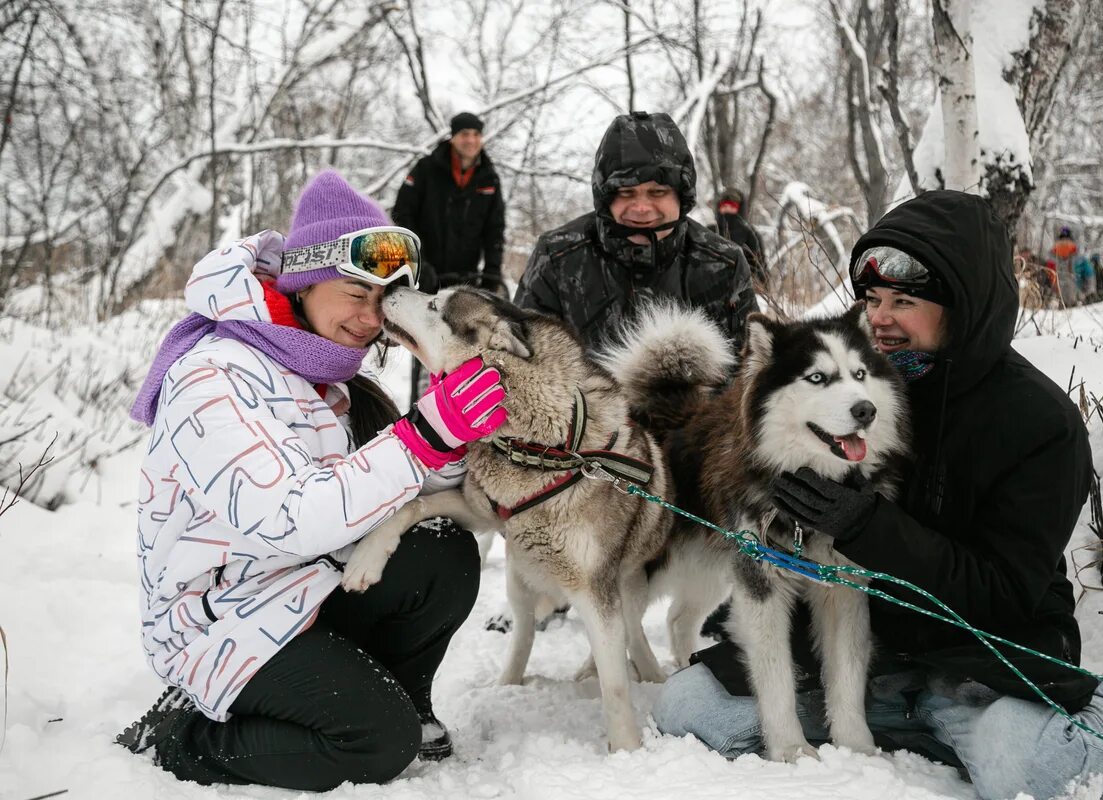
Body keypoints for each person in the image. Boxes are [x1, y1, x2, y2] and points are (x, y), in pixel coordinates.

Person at [653, 190, 1103, 800]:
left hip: (982, 660)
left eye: (905, 302)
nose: (880, 319)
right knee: (691, 709)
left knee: (1038, 774)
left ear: (964, 305)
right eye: (873, 300)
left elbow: (1004, 593)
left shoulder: (1039, 422)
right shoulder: (863, 391)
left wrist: (869, 527)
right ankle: (925, 733)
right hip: (878, 660)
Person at [117, 170, 508, 791]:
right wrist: (424, 437)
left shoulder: (323, 374)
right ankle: (181, 735)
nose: (370, 317)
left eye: (382, 299)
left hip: (303, 587)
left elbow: (404, 494)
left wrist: (451, 434)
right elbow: (287, 518)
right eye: (355, 291)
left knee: (441, 547)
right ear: (301, 282)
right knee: (374, 742)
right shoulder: (215, 375)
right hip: (218, 623)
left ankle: (406, 701)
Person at [514, 111, 758, 355]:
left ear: (681, 196)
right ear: (605, 198)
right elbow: (521, 362)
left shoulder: (724, 264)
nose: (641, 208)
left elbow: (751, 370)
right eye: (626, 193)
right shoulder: (557, 258)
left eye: (657, 193)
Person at [392, 110, 506, 402]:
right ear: (453, 137)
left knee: (463, 347)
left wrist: (492, 270)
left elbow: (495, 228)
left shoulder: (488, 177)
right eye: (465, 134)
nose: (471, 140)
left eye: (476, 135)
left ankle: (455, 406)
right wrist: (418, 263)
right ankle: (420, 405)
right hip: (429, 274)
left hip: (467, 279)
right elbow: (402, 214)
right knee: (425, 342)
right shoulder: (427, 169)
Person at [713, 187, 766, 286]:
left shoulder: (751, 234)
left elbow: (760, 268)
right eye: (724, 206)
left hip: (744, 289)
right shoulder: (710, 231)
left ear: (739, 209)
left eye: (732, 206)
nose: (728, 210)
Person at [1051, 225, 1081, 307]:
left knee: (1061, 286)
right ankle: (1072, 302)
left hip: (1060, 269)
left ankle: (1062, 303)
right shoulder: (1073, 245)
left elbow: (1051, 255)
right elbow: (1076, 254)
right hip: (1069, 268)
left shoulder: (1056, 246)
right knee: (1070, 285)